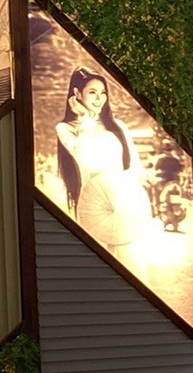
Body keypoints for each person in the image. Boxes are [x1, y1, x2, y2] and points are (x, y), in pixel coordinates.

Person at [55, 67, 152, 263]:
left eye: (103, 92)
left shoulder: (118, 126)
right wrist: (84, 118)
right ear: (77, 94)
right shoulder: (66, 128)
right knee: (99, 260)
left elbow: (134, 166)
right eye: (92, 92)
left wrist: (132, 197)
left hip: (123, 200)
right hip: (93, 203)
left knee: (129, 260)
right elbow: (81, 152)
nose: (99, 98)